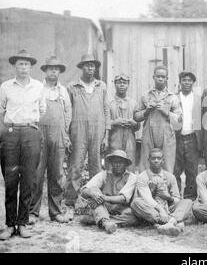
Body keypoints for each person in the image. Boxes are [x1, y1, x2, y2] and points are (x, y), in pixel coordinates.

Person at [0, 49, 45, 240]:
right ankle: (10, 224)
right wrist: (12, 125)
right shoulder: (5, 86)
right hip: (10, 133)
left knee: (28, 179)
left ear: (31, 67)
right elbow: (1, 110)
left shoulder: (38, 86)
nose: (23, 67)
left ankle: (23, 223)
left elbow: (42, 109)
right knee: (10, 180)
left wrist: (28, 124)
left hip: (30, 133)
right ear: (15, 66)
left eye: (27, 64)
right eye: (20, 64)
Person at [65, 54, 110, 220]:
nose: (90, 68)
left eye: (93, 66)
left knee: (96, 167)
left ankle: (94, 204)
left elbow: (106, 111)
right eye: (87, 65)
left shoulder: (102, 86)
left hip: (97, 130)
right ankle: (70, 202)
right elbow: (67, 112)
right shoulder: (72, 86)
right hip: (78, 129)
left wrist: (106, 135)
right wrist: (67, 135)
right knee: (75, 166)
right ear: (81, 67)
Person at [29, 56, 72, 225]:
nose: (53, 71)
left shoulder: (63, 91)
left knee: (56, 175)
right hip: (39, 134)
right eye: (50, 69)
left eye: (56, 69)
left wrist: (64, 132)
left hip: (58, 135)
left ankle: (56, 212)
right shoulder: (37, 89)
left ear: (59, 72)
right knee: (36, 174)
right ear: (45, 71)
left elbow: (68, 112)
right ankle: (33, 212)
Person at [131, 148, 192, 236]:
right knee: (136, 203)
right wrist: (161, 210)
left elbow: (177, 198)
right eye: (153, 158)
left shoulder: (170, 176)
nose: (156, 161)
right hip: (152, 208)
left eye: (159, 158)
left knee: (188, 202)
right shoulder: (142, 177)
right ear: (149, 160)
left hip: (168, 207)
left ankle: (166, 223)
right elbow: (147, 198)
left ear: (163, 160)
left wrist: (169, 198)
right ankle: (172, 221)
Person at [134, 65, 182, 173]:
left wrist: (167, 113)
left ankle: (165, 188)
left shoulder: (173, 97)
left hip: (167, 134)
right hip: (149, 132)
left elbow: (179, 121)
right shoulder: (146, 95)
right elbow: (136, 116)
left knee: (167, 165)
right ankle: (145, 188)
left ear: (167, 79)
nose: (160, 79)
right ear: (153, 77)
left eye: (163, 77)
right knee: (145, 164)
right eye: (158, 76)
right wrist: (146, 111)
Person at [80, 150, 139, 234]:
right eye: (115, 162)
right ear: (111, 163)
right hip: (103, 206)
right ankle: (106, 223)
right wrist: (93, 194)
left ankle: (98, 219)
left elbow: (123, 198)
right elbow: (84, 190)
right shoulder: (104, 174)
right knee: (93, 190)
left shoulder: (132, 177)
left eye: (121, 162)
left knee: (133, 217)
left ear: (126, 164)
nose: (118, 165)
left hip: (120, 209)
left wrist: (103, 198)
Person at [174, 71, 202, 200]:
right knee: (175, 170)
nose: (187, 82)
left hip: (192, 138)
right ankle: (175, 198)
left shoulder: (198, 98)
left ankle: (189, 199)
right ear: (180, 82)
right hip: (176, 138)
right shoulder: (174, 97)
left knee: (192, 171)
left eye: (190, 80)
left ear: (193, 83)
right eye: (184, 80)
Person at [109, 73, 139, 172]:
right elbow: (104, 121)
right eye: (119, 83)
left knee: (130, 163)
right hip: (114, 136)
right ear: (115, 84)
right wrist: (114, 122)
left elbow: (138, 123)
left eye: (124, 83)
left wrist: (134, 123)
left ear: (128, 85)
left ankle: (130, 186)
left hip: (129, 137)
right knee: (114, 162)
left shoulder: (133, 103)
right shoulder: (109, 102)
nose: (122, 85)